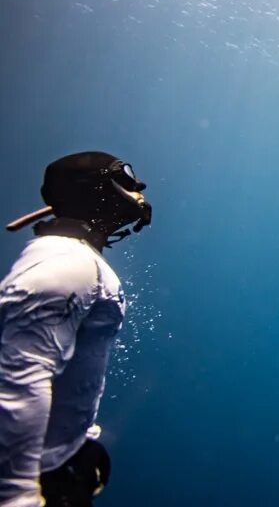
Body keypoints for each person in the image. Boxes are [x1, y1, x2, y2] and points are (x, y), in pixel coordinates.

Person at [0, 152, 152, 507]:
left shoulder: (76, 259)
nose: (138, 185)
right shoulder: (67, 262)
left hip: (51, 470)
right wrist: (16, 495)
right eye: (126, 175)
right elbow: (16, 378)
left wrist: (75, 445)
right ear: (96, 189)